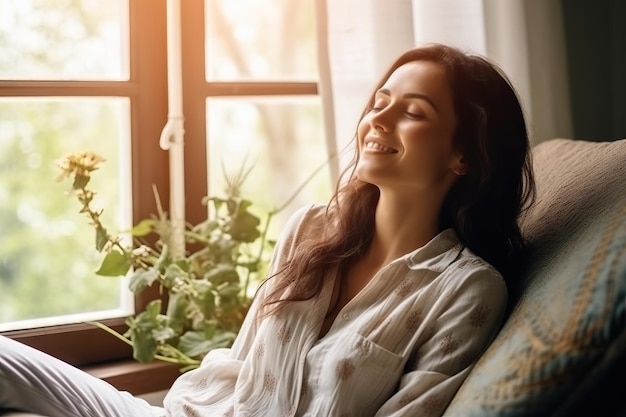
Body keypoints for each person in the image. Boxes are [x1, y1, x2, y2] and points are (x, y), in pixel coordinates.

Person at [0, 43, 535, 417]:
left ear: (464, 155)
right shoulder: (309, 230)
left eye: (412, 112)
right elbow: (241, 364)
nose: (378, 119)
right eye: (379, 102)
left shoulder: (466, 289)